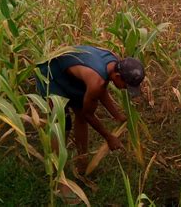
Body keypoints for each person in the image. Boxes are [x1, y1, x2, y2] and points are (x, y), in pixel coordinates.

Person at [35, 45, 145, 202]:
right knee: (61, 124)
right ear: (118, 76)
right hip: (51, 74)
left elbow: (102, 92)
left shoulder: (113, 62)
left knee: (79, 113)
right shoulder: (96, 80)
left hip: (72, 76)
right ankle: (57, 179)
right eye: (126, 86)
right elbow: (89, 114)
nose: (125, 89)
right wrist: (109, 137)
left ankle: (82, 164)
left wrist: (118, 116)